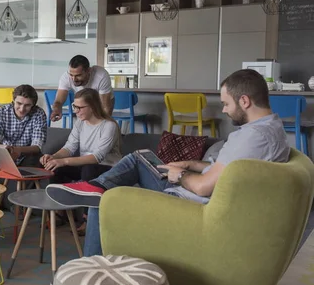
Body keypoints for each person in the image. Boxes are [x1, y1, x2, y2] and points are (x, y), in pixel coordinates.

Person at [46, 69, 291, 256]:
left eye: (226, 104)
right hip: (198, 189)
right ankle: (96, 187)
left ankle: (89, 267)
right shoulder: (270, 129)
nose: (225, 111)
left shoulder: (252, 137)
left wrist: (179, 176)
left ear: (245, 101)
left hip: (190, 200)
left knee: (104, 201)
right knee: (141, 156)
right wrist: (191, 164)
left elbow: (205, 187)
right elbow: (229, 172)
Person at [41, 88, 121, 232]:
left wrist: (64, 161)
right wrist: (54, 157)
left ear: (93, 107)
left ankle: (87, 218)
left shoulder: (109, 125)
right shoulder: (80, 123)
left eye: (79, 107)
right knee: (56, 168)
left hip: (108, 167)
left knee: (88, 169)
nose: (76, 111)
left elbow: (97, 157)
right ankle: (60, 212)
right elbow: (69, 147)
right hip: (86, 165)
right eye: (74, 107)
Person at [0, 84, 47, 211]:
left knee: (36, 160)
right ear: (13, 100)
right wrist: (4, 148)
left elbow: (37, 146)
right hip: (5, 151)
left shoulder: (39, 114)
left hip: (27, 153)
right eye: (18, 103)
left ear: (33, 105)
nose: (22, 108)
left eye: (27, 105)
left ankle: (18, 204)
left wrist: (19, 150)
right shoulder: (1, 112)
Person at [50, 55, 113, 122]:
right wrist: (56, 109)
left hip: (101, 102)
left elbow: (105, 107)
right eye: (71, 75)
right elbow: (59, 101)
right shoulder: (66, 77)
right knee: (83, 125)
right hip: (83, 102)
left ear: (88, 71)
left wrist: (102, 125)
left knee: (101, 124)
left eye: (78, 75)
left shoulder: (101, 76)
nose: (74, 79)